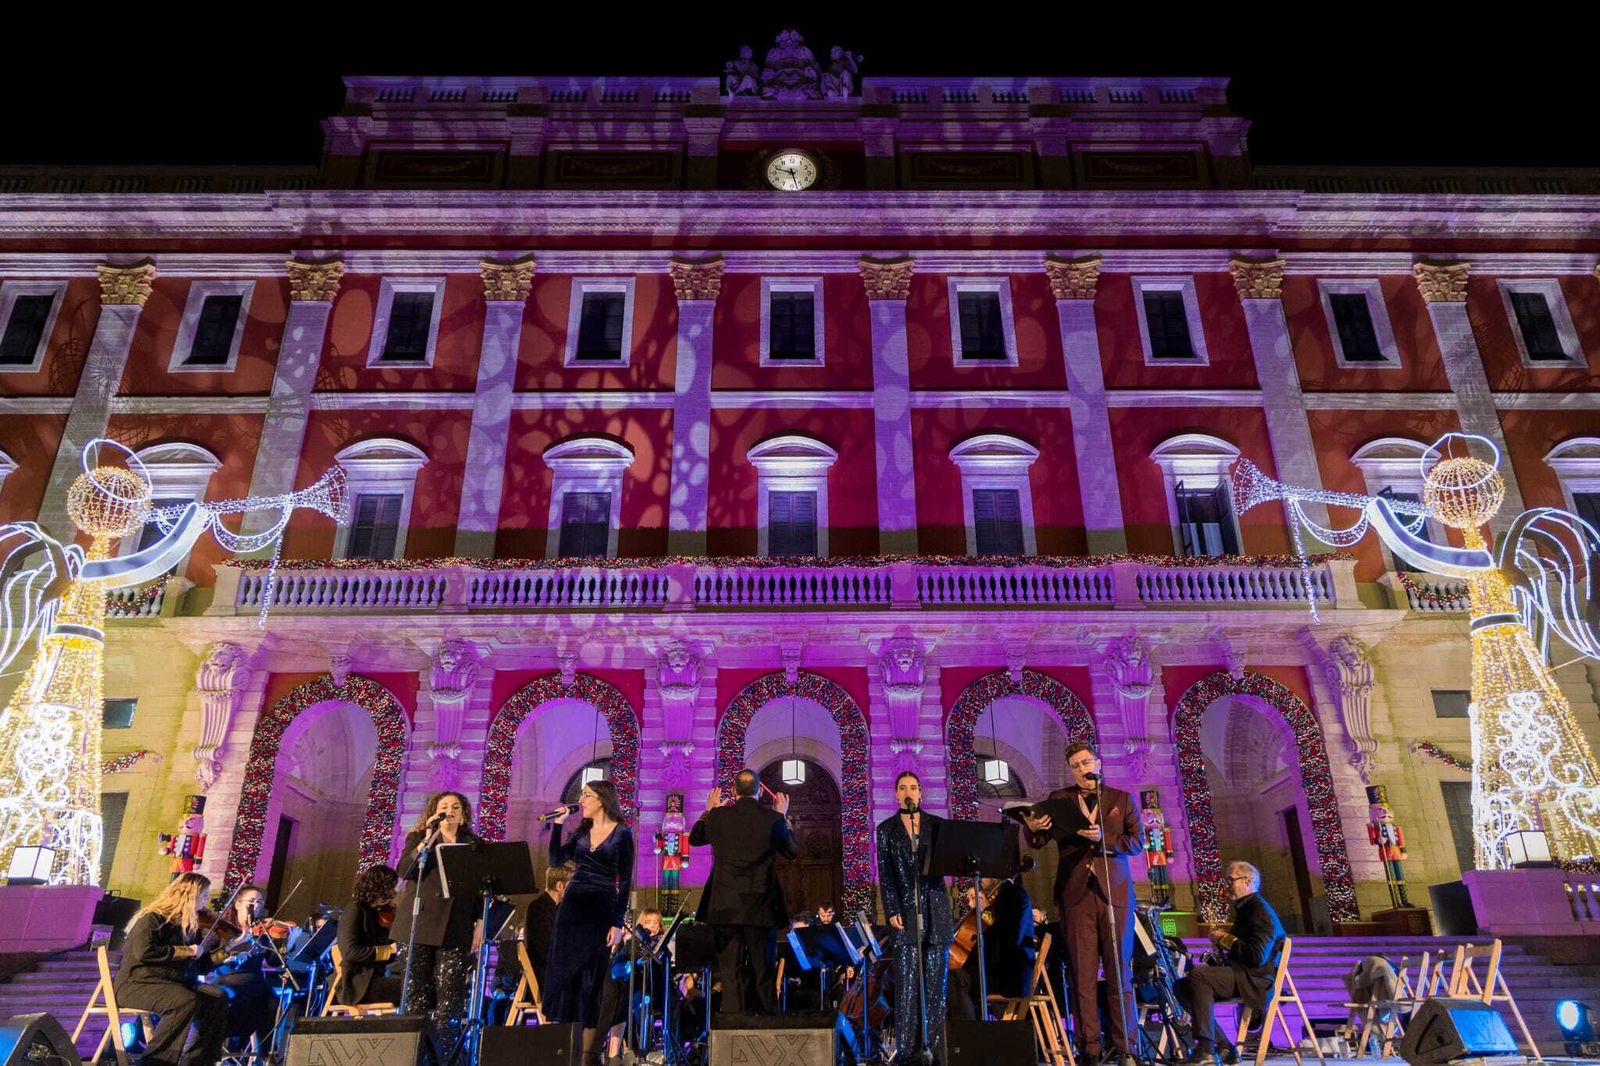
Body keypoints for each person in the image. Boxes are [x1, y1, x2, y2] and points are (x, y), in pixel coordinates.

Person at [1023, 743, 1141, 1066]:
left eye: (1086, 761)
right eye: (1075, 765)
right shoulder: (1060, 800)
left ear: (1098, 763)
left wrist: (1104, 839)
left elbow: (1137, 842)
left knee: (1119, 973)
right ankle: (1089, 1047)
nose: (1081, 768)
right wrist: (1031, 830)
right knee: (1083, 975)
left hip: (1114, 895)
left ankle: (1127, 1047)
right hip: (1076, 895)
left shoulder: (1120, 799)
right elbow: (1038, 841)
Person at [689, 768, 798, 1015]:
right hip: (761, 906)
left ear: (733, 792)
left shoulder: (717, 817)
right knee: (764, 972)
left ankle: (733, 1029)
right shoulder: (772, 819)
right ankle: (768, 1028)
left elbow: (695, 839)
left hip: (724, 908)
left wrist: (710, 809)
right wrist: (783, 817)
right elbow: (792, 851)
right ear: (760, 791)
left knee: (730, 973)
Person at [546, 779, 636, 1066]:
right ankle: (565, 1051)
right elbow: (556, 859)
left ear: (602, 800)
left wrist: (617, 922)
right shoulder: (582, 833)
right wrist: (558, 826)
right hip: (572, 910)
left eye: (586, 795)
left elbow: (625, 881)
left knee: (592, 982)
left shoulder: (623, 834)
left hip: (601, 909)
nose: (581, 800)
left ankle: (588, 1056)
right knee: (567, 978)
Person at [875, 770, 953, 1064]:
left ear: (921, 793)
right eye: (903, 788)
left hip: (936, 909)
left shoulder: (937, 825)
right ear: (896, 794)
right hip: (905, 911)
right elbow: (886, 874)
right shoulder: (886, 830)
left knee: (936, 986)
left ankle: (933, 1051)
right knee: (907, 985)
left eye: (913, 787)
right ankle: (906, 1053)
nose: (908, 792)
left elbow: (948, 862)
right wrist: (892, 908)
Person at [114, 872, 231, 1066]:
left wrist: (225, 951)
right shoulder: (152, 919)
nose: (207, 900)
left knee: (217, 997)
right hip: (136, 984)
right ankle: (155, 1062)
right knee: (184, 1001)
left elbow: (197, 968)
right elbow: (144, 951)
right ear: (188, 895)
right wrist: (186, 950)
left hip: (169, 984)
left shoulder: (188, 927)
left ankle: (197, 1061)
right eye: (204, 895)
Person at [1177, 862, 1285, 1066]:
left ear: (1248, 881)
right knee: (1181, 986)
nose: (1227, 885)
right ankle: (1224, 1047)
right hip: (1244, 974)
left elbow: (1256, 956)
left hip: (1256, 980)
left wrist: (1226, 939)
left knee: (1199, 976)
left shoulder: (1259, 910)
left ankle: (1206, 1049)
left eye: (1231, 880)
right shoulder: (1246, 909)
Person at [397, 790, 484, 1025]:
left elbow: (479, 887)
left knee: (451, 993)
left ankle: (445, 1054)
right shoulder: (418, 838)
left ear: (463, 814)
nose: (450, 811)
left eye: (456, 807)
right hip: (420, 922)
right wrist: (427, 838)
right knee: (416, 992)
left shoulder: (473, 844)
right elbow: (405, 871)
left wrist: (480, 922)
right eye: (444, 806)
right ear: (434, 812)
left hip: (456, 924)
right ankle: (415, 1051)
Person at [948, 875, 1035, 1020]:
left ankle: (969, 1034)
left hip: (1008, 974)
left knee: (954, 979)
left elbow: (1010, 940)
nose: (979, 878)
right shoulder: (1000, 899)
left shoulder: (1014, 894)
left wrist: (986, 915)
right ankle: (967, 1032)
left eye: (984, 873)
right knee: (954, 978)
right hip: (996, 972)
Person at [208, 884, 278, 1052]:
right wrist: (230, 955)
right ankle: (232, 1045)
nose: (257, 905)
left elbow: (273, 961)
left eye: (260, 902)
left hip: (255, 981)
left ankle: (267, 1054)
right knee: (242, 1000)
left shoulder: (262, 931)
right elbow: (209, 958)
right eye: (252, 901)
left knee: (273, 1001)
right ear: (238, 904)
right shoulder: (223, 928)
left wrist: (287, 945)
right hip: (228, 978)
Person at [336, 864, 404, 1007]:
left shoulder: (377, 913)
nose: (394, 893)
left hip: (378, 978)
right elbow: (350, 952)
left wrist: (397, 920)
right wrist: (390, 950)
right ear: (379, 886)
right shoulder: (355, 910)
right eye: (391, 887)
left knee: (416, 985)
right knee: (413, 989)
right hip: (358, 984)